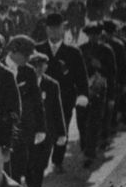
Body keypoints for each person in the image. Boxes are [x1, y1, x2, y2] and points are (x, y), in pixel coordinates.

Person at [35, 13, 89, 175]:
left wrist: (83, 95)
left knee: (61, 129)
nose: (53, 32)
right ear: (46, 30)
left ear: (63, 29)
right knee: (41, 128)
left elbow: (81, 77)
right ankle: (40, 161)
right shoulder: (38, 49)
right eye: (50, 29)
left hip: (65, 98)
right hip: (41, 98)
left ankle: (57, 160)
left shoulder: (73, 52)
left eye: (57, 28)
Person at [3, 35, 45, 186]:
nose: (28, 58)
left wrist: (41, 128)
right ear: (13, 52)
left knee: (22, 165)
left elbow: (37, 101)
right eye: (26, 55)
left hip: (25, 128)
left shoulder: (29, 71)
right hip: (2, 128)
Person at [29, 52, 66, 187]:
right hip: (30, 131)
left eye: (41, 65)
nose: (38, 69)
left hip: (48, 131)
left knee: (42, 163)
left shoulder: (52, 85)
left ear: (46, 66)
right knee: (30, 163)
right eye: (35, 66)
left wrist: (62, 133)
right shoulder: (22, 82)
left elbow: (58, 109)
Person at [78, 23, 114, 168]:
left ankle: (89, 153)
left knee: (94, 122)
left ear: (100, 35)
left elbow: (112, 72)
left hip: (100, 91)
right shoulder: (81, 49)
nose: (93, 37)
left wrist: (100, 66)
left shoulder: (106, 50)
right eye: (91, 34)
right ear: (88, 35)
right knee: (81, 122)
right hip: (82, 90)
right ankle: (85, 146)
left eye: (96, 34)